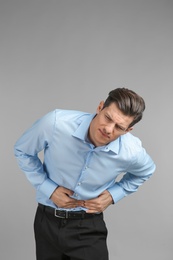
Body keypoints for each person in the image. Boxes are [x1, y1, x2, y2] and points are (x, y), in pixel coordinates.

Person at [14, 88, 156, 260]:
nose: (109, 129)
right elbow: (23, 150)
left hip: (88, 227)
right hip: (46, 221)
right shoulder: (56, 123)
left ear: (128, 130)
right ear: (100, 107)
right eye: (108, 118)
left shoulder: (131, 151)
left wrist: (113, 195)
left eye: (119, 127)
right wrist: (49, 189)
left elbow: (146, 171)